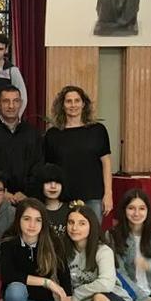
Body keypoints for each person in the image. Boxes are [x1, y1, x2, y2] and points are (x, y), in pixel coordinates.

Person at [1, 198, 78, 301]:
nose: (32, 225)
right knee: (16, 288)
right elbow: (8, 276)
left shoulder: (54, 242)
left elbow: (66, 284)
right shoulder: (9, 241)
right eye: (26, 219)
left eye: (38, 220)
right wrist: (47, 282)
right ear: (18, 219)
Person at [44, 85, 113, 219]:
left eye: (77, 101)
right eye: (68, 101)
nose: (73, 105)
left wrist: (108, 193)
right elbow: (49, 169)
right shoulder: (53, 134)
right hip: (62, 197)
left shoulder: (98, 130)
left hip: (93, 196)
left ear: (83, 104)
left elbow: (106, 163)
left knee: (92, 237)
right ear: (62, 105)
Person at [0, 86, 42, 203]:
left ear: (20, 104)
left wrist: (26, 193)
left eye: (15, 101)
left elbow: (38, 166)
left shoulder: (32, 132)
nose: (11, 106)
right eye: (6, 101)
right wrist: (0, 191)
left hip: (25, 199)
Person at [36, 163, 71, 239]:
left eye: (57, 182)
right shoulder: (35, 210)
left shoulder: (71, 209)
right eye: (48, 182)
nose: (53, 186)